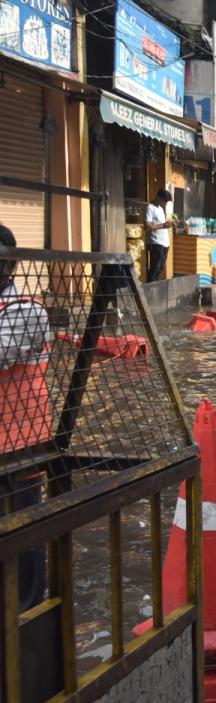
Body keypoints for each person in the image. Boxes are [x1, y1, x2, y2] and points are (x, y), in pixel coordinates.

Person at [0, 224, 51, 609]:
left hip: (22, 443)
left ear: (12, 265)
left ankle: (29, 612)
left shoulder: (28, 311)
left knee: (26, 526)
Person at [144, 188, 172, 283]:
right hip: (155, 243)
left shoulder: (160, 209)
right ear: (158, 197)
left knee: (161, 267)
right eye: (164, 201)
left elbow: (160, 224)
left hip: (164, 243)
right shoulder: (150, 207)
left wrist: (169, 224)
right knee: (154, 268)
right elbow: (147, 226)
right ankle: (150, 287)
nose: (165, 204)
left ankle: (154, 286)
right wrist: (164, 225)